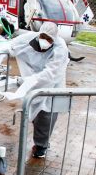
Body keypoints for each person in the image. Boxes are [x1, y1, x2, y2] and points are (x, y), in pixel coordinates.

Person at [6, 21, 69, 158]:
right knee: (34, 112)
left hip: (53, 84)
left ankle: (41, 145)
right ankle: (40, 141)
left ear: (54, 39)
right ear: (39, 34)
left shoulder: (60, 48)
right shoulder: (30, 38)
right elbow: (12, 45)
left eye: (49, 39)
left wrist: (31, 80)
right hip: (34, 81)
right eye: (43, 37)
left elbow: (52, 73)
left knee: (47, 115)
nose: (45, 41)